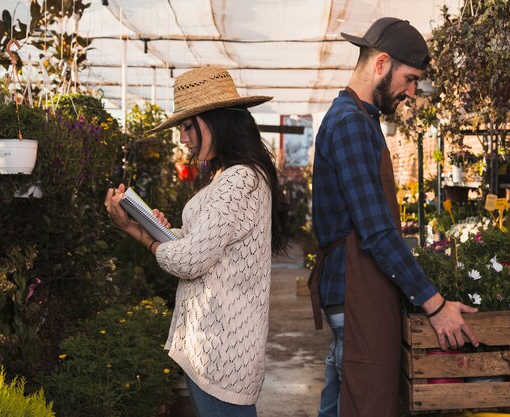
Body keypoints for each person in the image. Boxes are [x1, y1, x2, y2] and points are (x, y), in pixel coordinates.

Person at [309, 17, 480, 417]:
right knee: (365, 402)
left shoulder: (360, 118)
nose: (412, 91)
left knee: (342, 399)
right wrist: (435, 307)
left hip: (358, 288)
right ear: (382, 63)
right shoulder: (351, 123)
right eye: (410, 78)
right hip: (356, 289)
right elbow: (378, 232)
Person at [105, 66, 289, 417]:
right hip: (213, 345)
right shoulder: (228, 173)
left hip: (222, 352)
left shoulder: (239, 180)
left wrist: (144, 237)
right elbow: (207, 245)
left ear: (217, 121)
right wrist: (149, 229)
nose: (183, 138)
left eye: (188, 126)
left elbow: (190, 260)